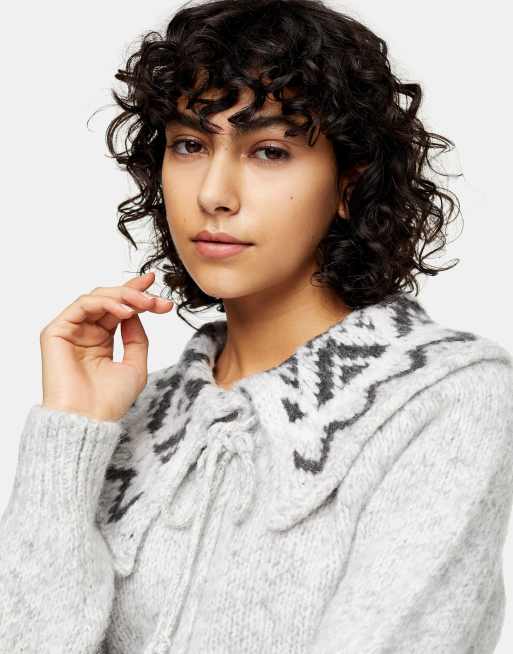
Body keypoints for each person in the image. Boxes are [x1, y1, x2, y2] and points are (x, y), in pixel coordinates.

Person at [1, 0, 512, 652]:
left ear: (348, 182)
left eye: (269, 151)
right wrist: (69, 435)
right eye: (189, 145)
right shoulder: (135, 414)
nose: (213, 193)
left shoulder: (442, 397)